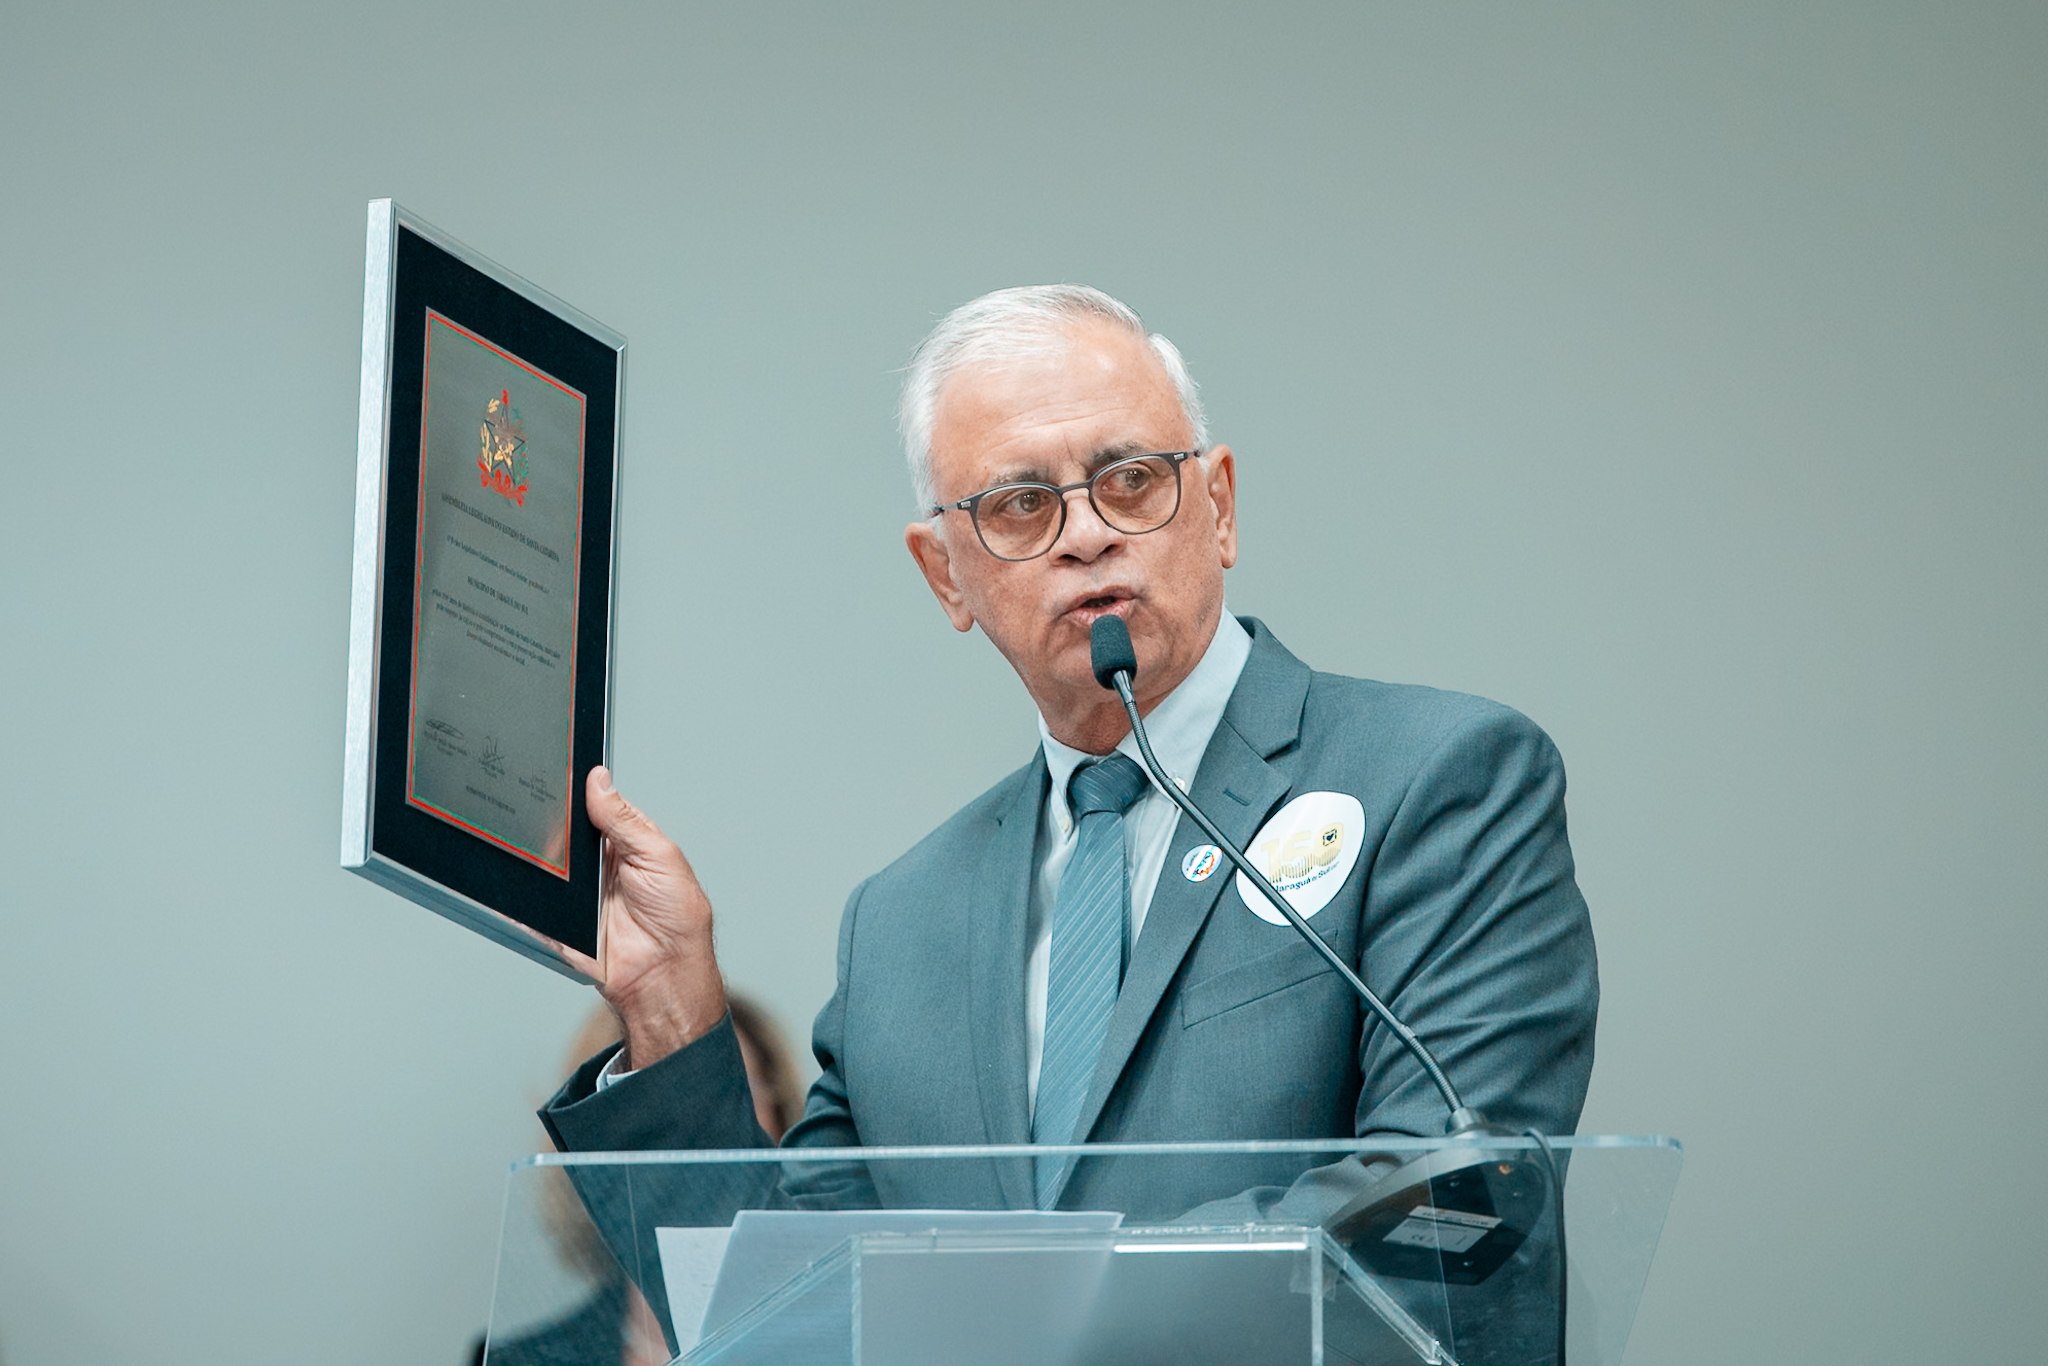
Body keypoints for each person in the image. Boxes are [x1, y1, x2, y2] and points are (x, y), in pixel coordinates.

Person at [539, 284, 1597, 1225]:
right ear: (945, 575)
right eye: (1019, 505)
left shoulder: (1438, 779)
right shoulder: (900, 925)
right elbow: (778, 1313)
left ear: (1218, 507)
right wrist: (669, 1011)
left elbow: (1442, 1200)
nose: (1087, 534)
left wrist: (1049, 1304)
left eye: (1131, 479)